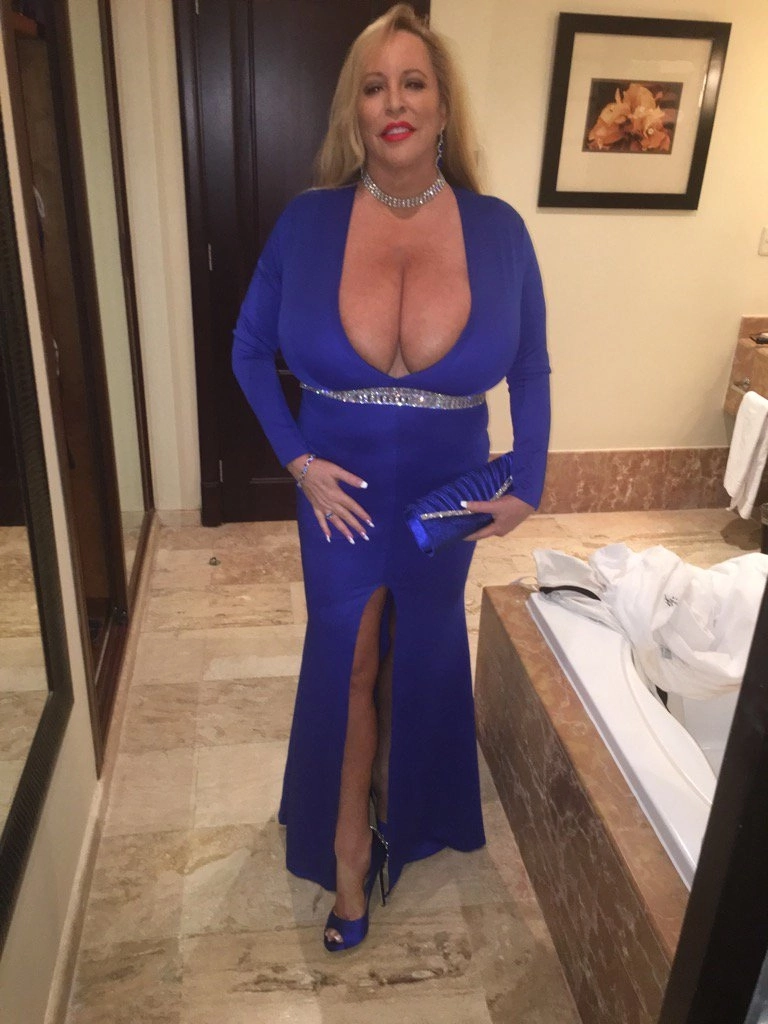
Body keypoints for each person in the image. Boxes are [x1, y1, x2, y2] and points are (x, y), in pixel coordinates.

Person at [232, 3, 550, 952]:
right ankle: (344, 851)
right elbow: (249, 351)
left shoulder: (499, 229)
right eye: (374, 87)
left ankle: (405, 807)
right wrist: (297, 461)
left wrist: (529, 480)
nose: (395, 102)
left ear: (444, 105)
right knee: (351, 656)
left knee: (422, 649)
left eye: (414, 83)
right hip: (341, 491)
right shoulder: (308, 221)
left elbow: (530, 367)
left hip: (448, 489)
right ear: (355, 110)